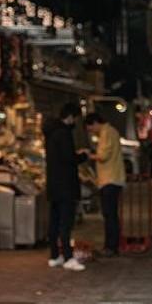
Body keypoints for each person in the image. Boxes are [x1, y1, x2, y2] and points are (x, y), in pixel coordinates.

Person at [43, 103, 88, 271]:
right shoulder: (63, 134)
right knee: (65, 223)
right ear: (70, 117)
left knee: (54, 222)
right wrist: (83, 156)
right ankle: (68, 257)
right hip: (65, 185)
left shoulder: (51, 132)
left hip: (54, 184)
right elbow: (69, 158)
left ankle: (55, 255)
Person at [85, 113, 124, 257]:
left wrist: (88, 155)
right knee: (109, 214)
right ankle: (110, 245)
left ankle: (111, 247)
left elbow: (103, 156)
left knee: (110, 214)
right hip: (110, 178)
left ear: (95, 122)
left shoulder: (107, 132)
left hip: (110, 179)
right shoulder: (108, 132)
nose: (90, 130)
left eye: (90, 127)